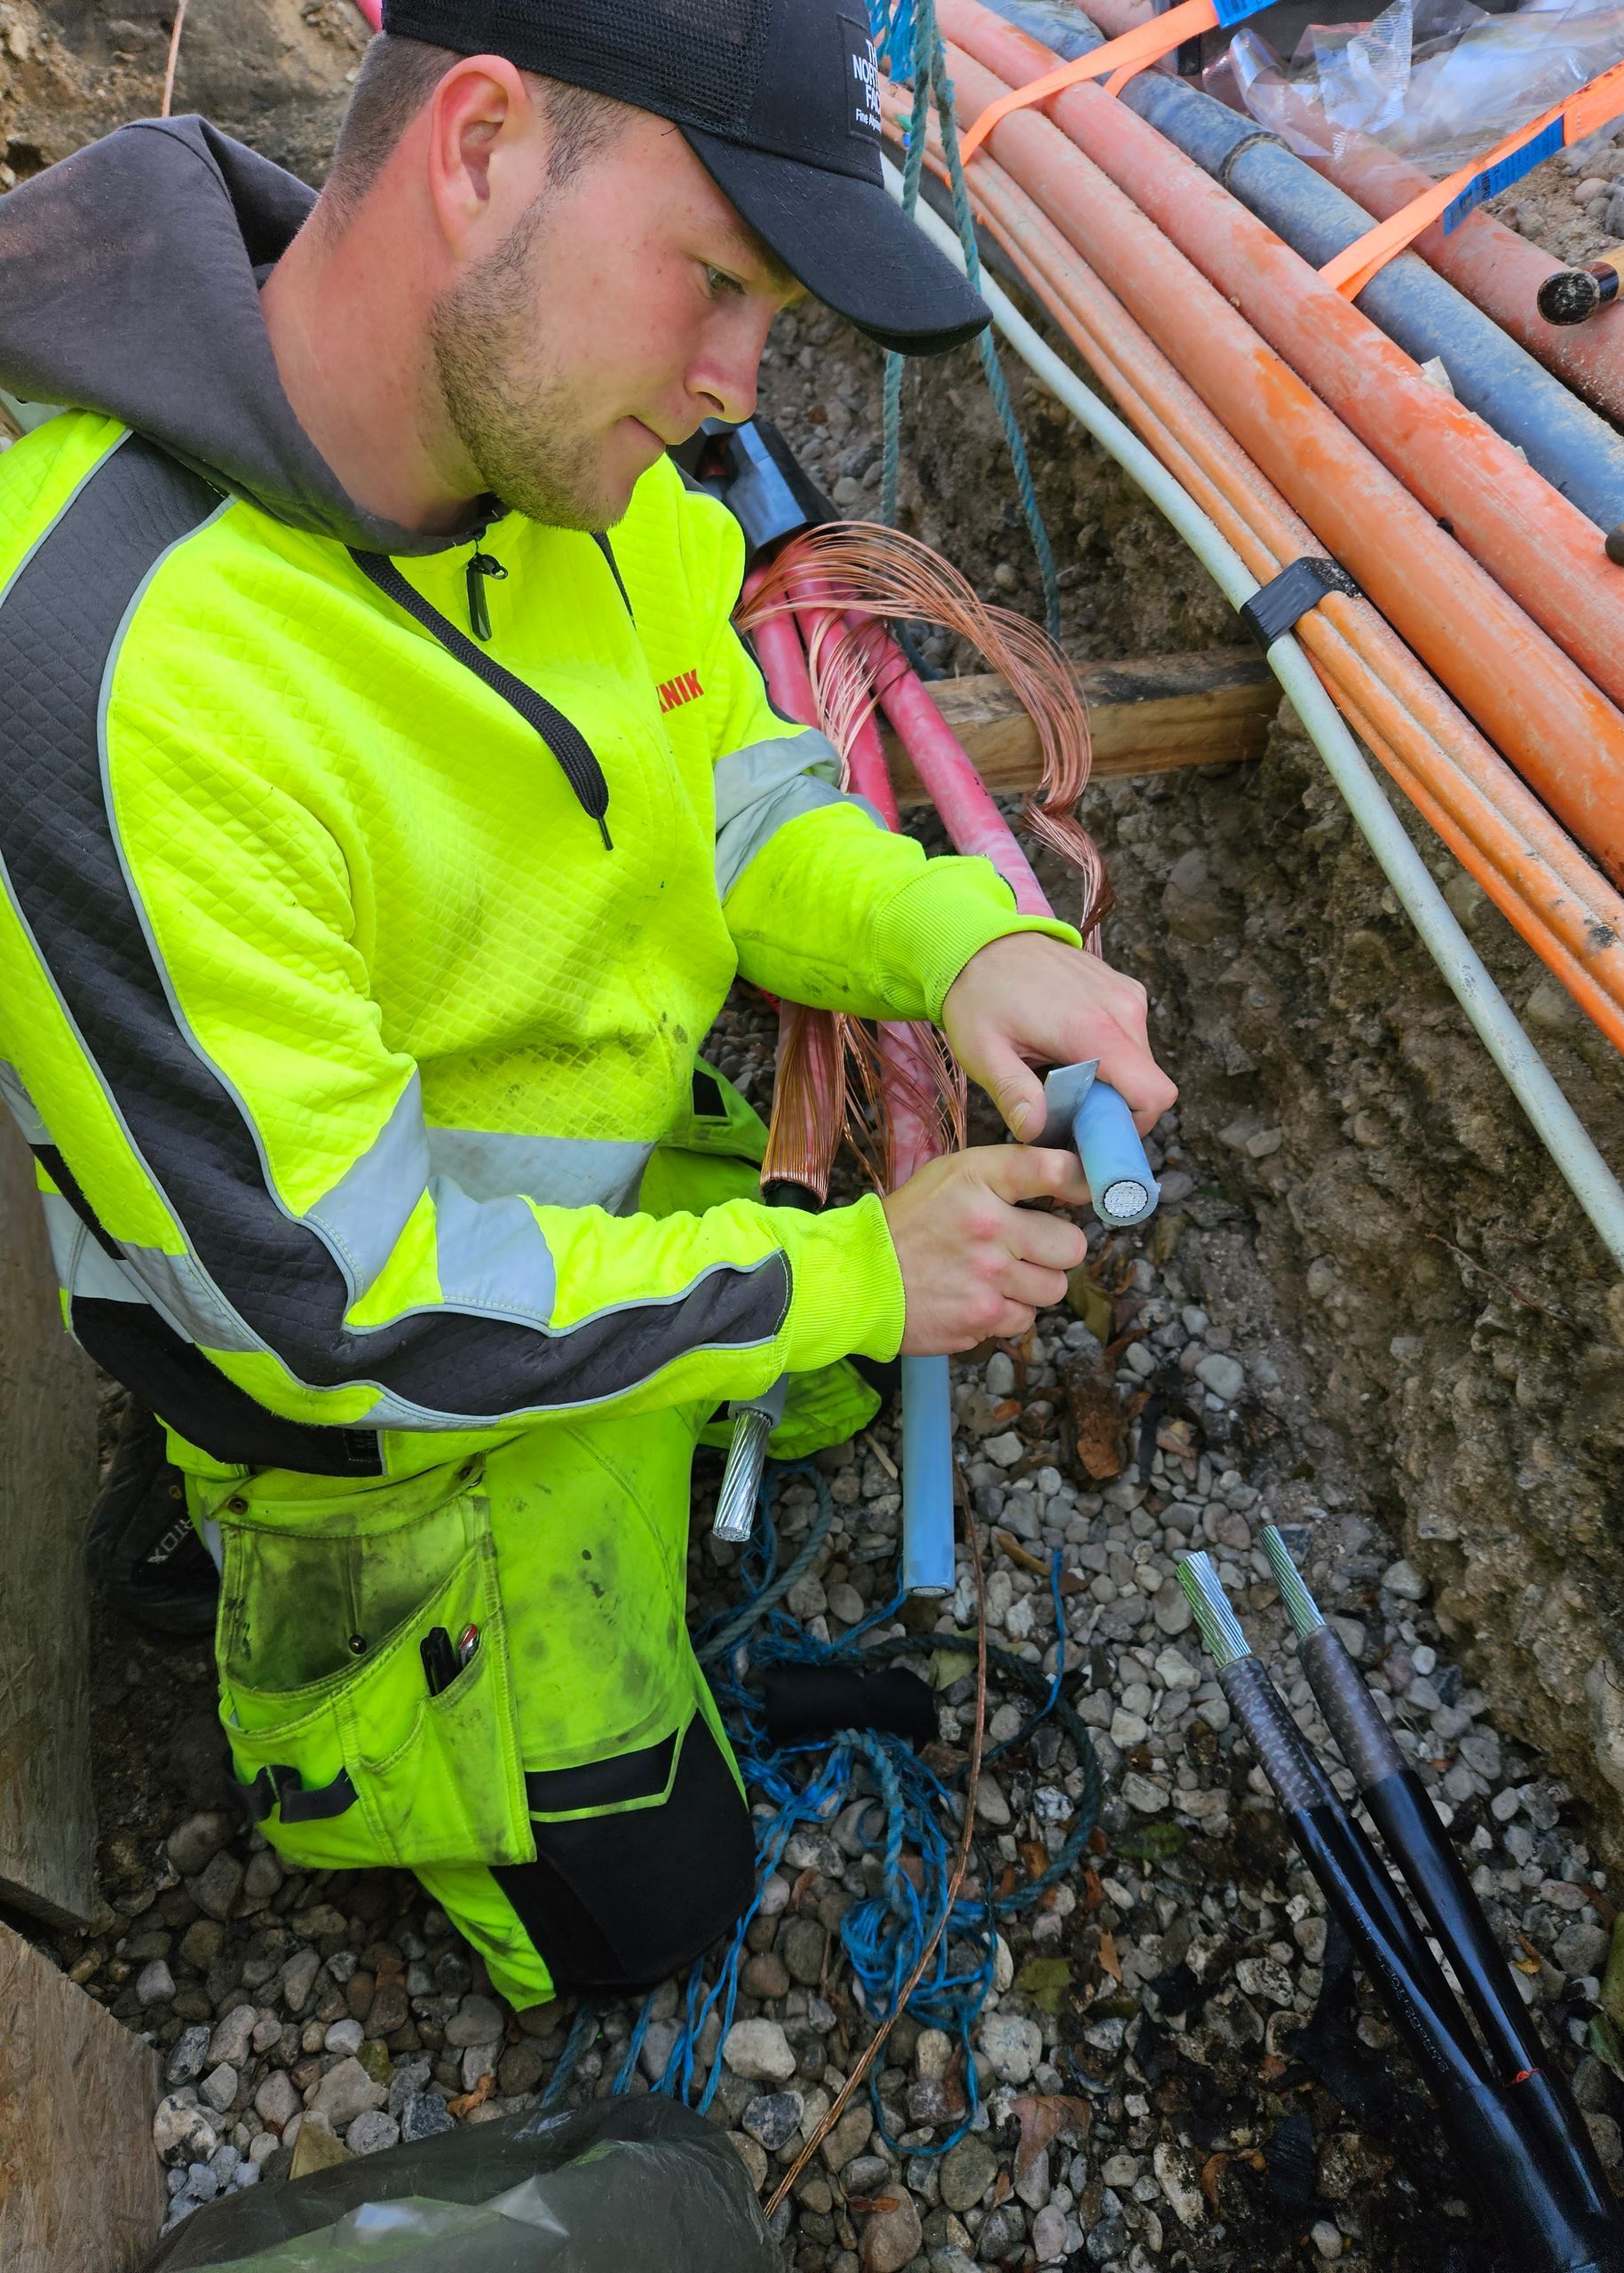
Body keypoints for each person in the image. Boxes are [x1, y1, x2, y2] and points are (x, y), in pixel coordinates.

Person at [0, 0, 1174, 2008]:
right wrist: (849, 1279)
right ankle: (297, 1670)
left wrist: (951, 941)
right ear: (476, 151)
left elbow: (730, 795)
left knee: (813, 1359)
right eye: (714, 280)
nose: (736, 383)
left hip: (585, 1200)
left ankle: (683, 1399)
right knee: (656, 1916)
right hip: (373, 1409)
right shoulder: (117, 669)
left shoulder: (578, 478)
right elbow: (339, 1313)